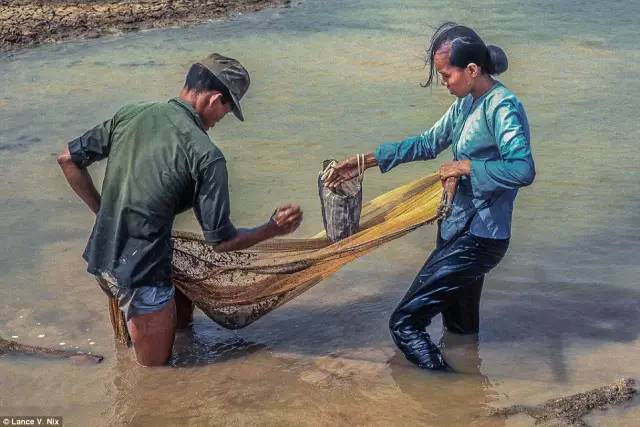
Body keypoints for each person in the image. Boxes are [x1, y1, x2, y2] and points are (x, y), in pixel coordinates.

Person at [57, 53, 303, 367]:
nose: (219, 120)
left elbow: (68, 160)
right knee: (157, 379)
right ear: (215, 99)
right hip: (143, 273)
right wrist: (272, 229)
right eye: (226, 111)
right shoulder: (206, 155)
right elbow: (222, 242)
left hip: (103, 259)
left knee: (179, 324)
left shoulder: (131, 113)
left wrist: (105, 213)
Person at [324, 23, 535, 370]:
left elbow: (522, 169)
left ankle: (441, 395)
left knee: (404, 324)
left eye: (446, 74)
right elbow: (426, 143)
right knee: (461, 331)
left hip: (480, 238)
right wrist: (364, 162)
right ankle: (469, 402)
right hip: (455, 231)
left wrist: (465, 167)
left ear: (472, 69)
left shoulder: (502, 107)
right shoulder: (467, 105)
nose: (443, 82)